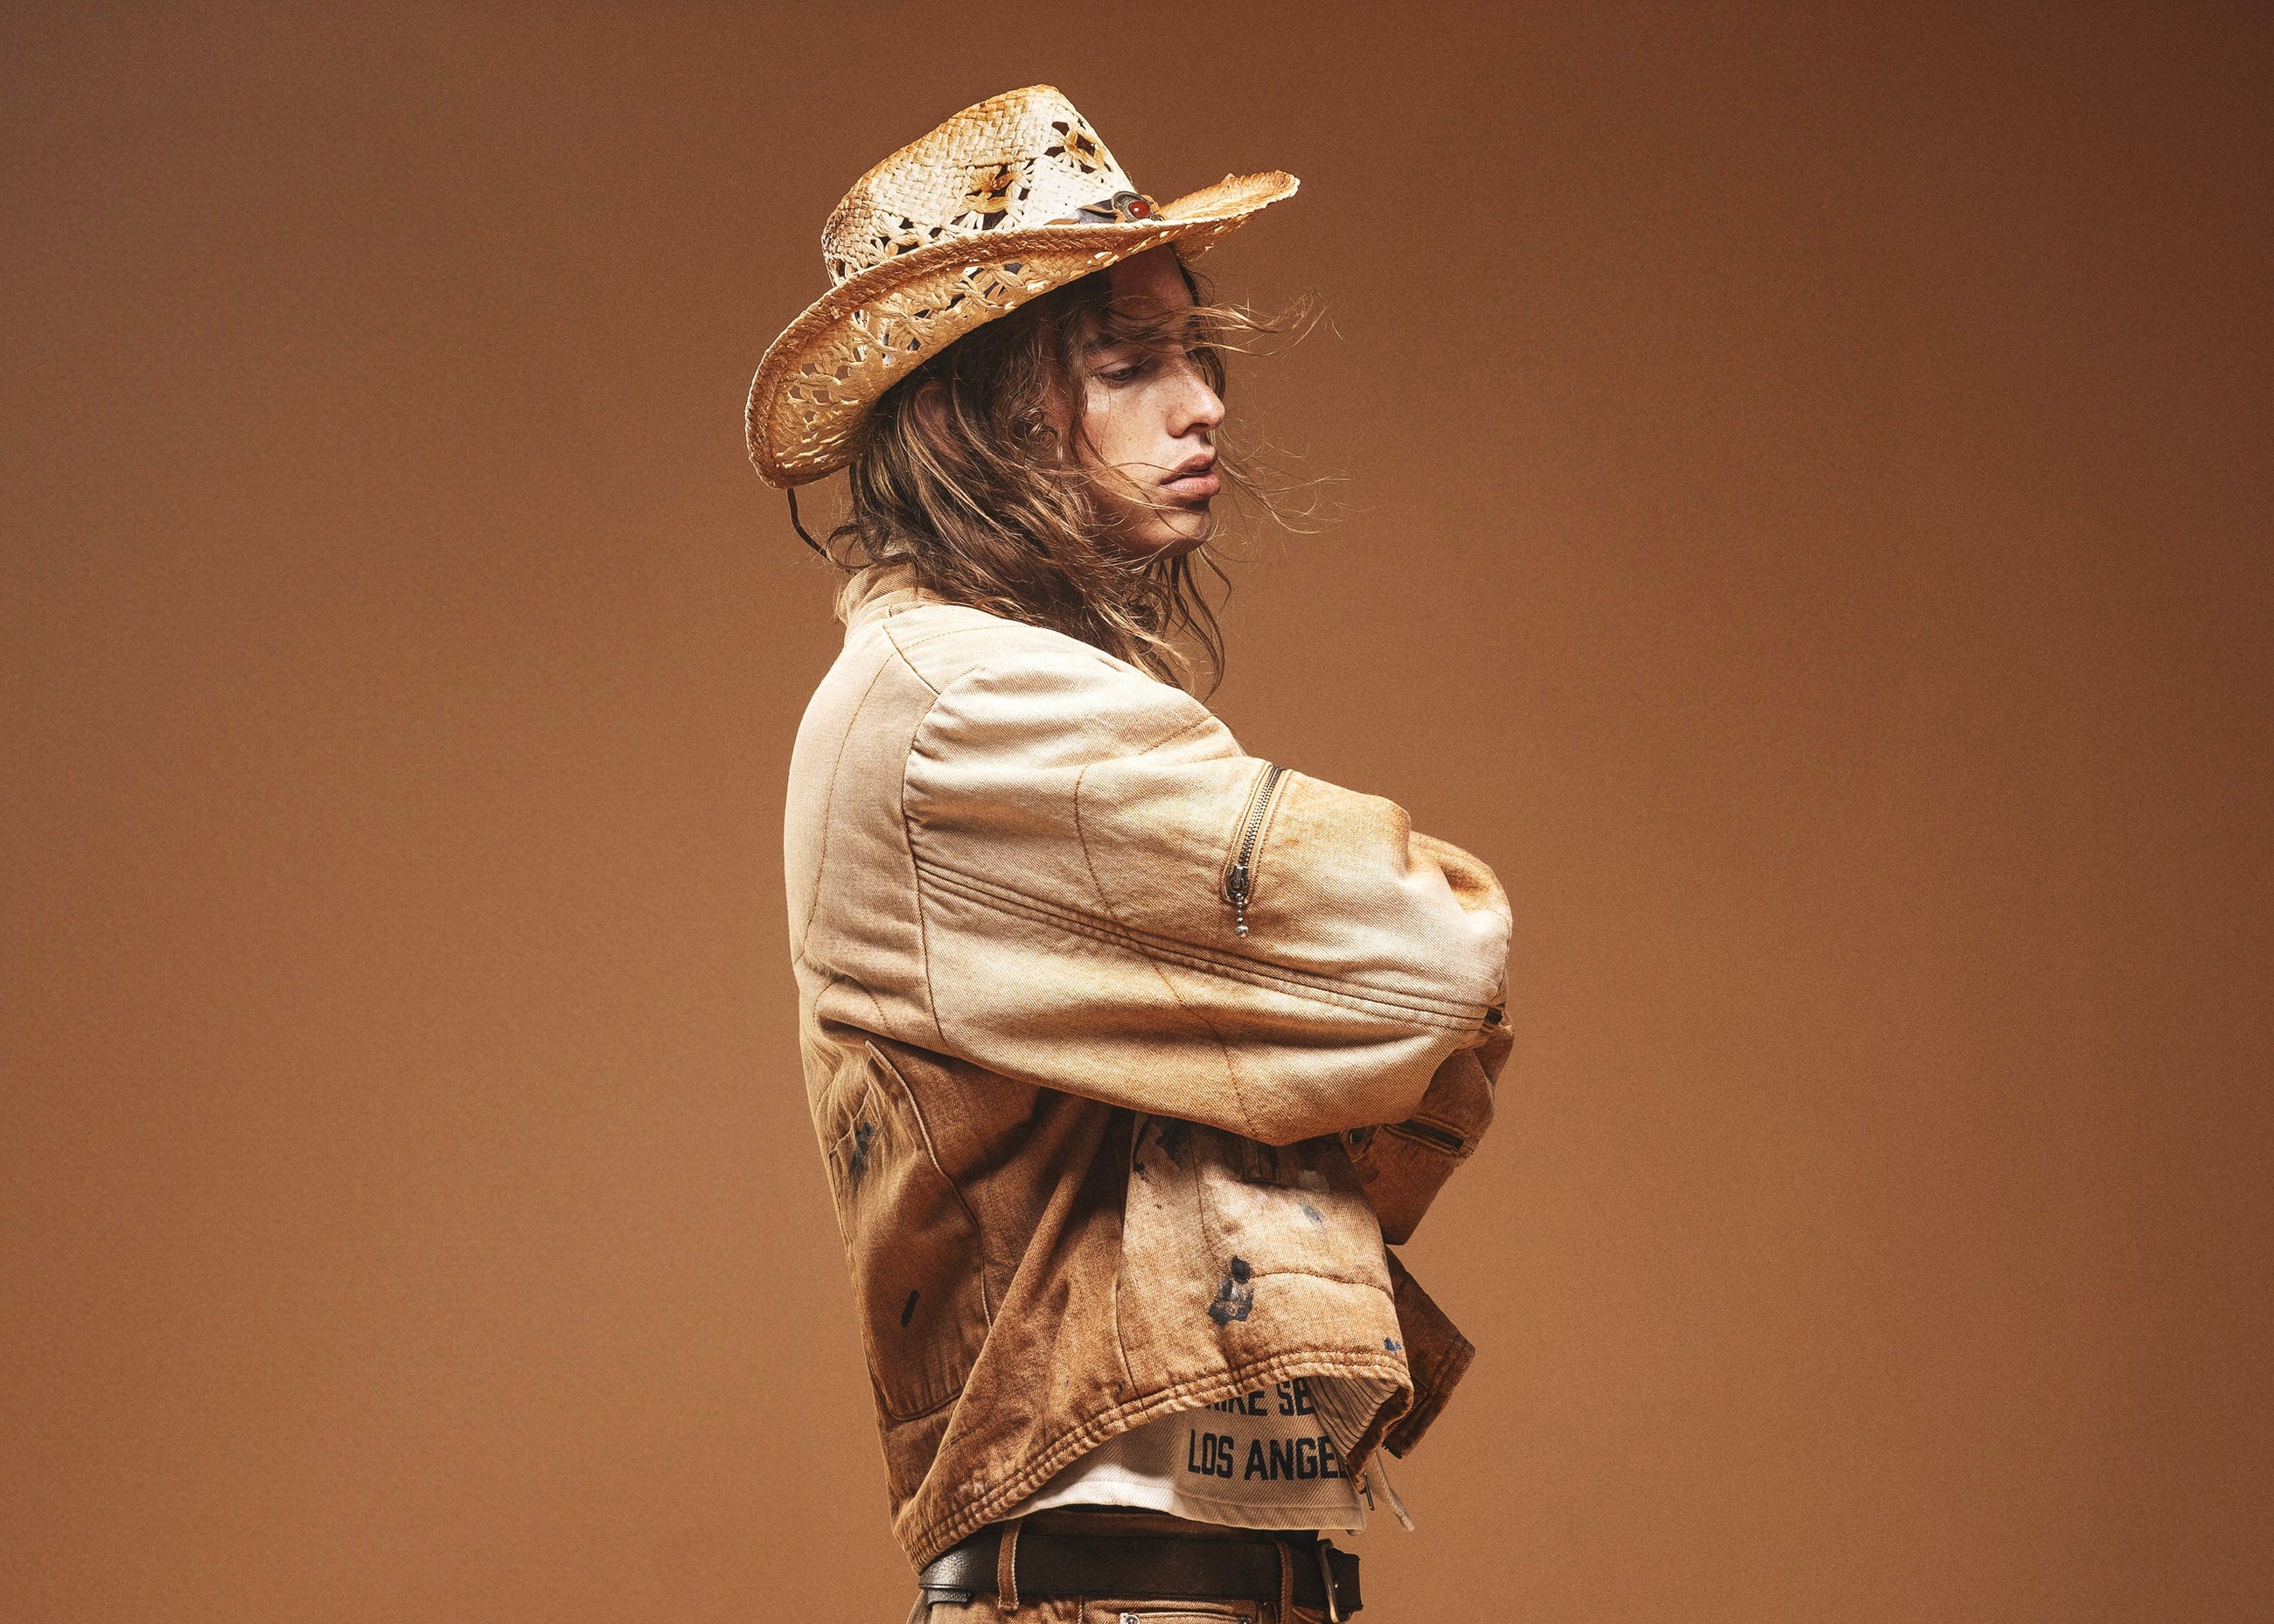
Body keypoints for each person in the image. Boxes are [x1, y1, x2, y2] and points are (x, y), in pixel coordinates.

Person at [747, 86, 1513, 1622]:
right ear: (979, 411)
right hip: (1118, 1597)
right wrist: (1302, 1050)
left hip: (1222, 1586)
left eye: (1193, 351)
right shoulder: (968, 706)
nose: (1203, 401)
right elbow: (1434, 954)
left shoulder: (1014, 697)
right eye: (1130, 364)